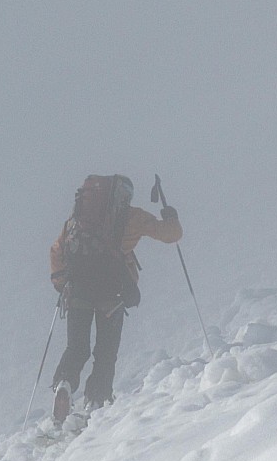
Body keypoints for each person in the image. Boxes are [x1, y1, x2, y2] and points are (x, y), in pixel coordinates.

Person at [49, 175, 182, 421]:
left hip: (78, 290)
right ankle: (95, 401)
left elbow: (57, 250)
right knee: (106, 351)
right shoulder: (132, 217)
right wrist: (170, 216)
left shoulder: (77, 220)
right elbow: (171, 234)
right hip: (112, 294)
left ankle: (64, 385)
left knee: (76, 347)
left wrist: (61, 284)